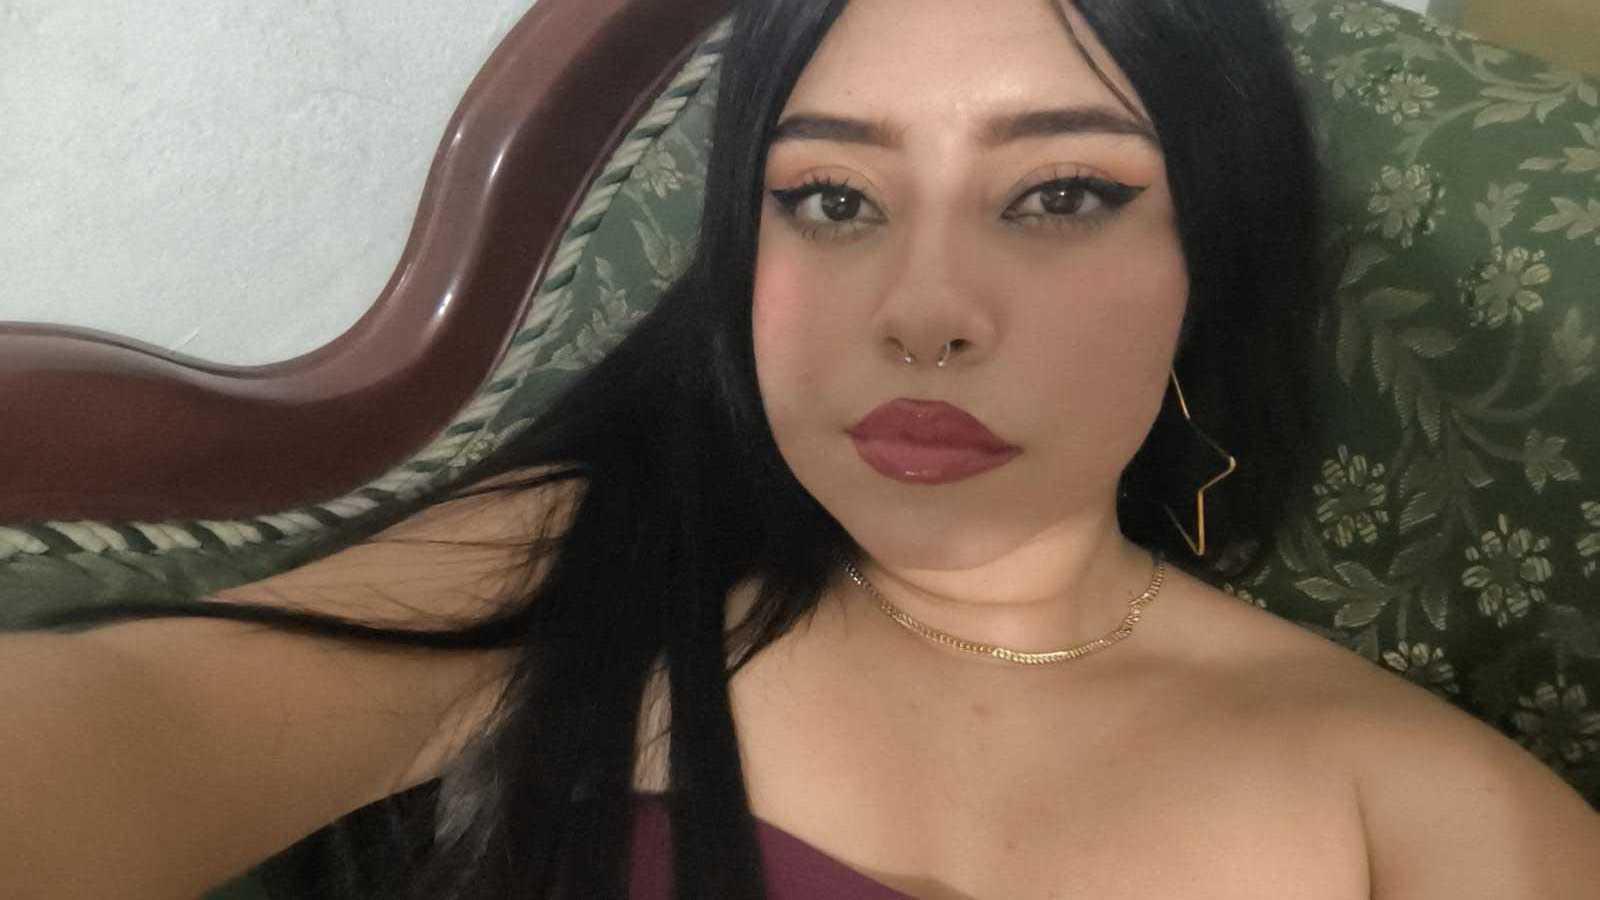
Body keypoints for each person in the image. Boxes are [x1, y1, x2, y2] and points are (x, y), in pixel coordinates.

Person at [5, 0, 1599, 897]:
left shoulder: (1427, 808)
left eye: (1062, 194)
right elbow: (144, 721)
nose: (923, 313)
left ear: (1212, 261)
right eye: (831, 198)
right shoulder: (589, 558)